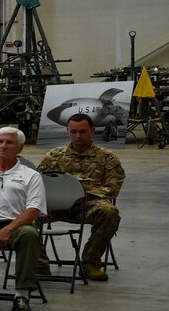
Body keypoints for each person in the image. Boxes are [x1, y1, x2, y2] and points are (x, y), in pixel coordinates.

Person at [35, 112, 124, 282]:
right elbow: (37, 182)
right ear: (67, 130)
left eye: (83, 131)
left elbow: (113, 187)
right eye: (73, 131)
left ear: (93, 130)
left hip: (88, 205)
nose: (78, 136)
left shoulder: (107, 157)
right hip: (55, 204)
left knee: (109, 213)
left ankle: (91, 262)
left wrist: (88, 195)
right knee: (25, 214)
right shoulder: (54, 156)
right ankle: (39, 263)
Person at [0, 126, 46, 311]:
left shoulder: (31, 175)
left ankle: (21, 297)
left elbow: (34, 210)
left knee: (29, 235)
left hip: (15, 225)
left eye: (9, 142)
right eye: (0, 142)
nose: (3, 146)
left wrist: (9, 229)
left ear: (20, 148)